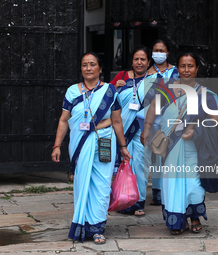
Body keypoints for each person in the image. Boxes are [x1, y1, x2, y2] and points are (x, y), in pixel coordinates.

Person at [51, 52, 131, 244]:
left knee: (102, 185)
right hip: (80, 143)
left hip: (104, 141)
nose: (88, 68)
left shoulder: (110, 91)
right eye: (85, 65)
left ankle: (97, 228)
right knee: (82, 183)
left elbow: (117, 121)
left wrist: (123, 146)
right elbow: (64, 120)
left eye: (92, 64)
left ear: (100, 69)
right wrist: (57, 145)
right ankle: (81, 224)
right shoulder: (72, 91)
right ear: (81, 68)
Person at [143, 52, 218, 235]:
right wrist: (147, 128)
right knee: (173, 183)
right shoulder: (166, 89)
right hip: (171, 146)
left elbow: (215, 119)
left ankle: (194, 216)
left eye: (190, 66)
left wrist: (196, 130)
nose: (186, 70)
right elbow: (153, 108)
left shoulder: (206, 94)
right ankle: (177, 220)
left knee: (194, 185)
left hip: (195, 148)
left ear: (197, 69)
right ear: (177, 68)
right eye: (183, 66)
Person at [109, 45, 151, 216]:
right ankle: (122, 198)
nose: (139, 62)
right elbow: (108, 98)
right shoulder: (122, 77)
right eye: (136, 59)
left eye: (143, 59)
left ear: (149, 62)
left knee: (139, 166)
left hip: (141, 131)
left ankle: (138, 201)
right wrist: (114, 87)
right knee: (121, 166)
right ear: (132, 61)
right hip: (121, 131)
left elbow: (158, 107)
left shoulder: (154, 80)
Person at [144, 39, 179, 206]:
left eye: (161, 50)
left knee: (162, 155)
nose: (158, 53)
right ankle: (138, 194)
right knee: (144, 156)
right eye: (155, 50)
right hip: (146, 118)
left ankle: (160, 192)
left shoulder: (175, 72)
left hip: (166, 119)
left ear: (167, 53)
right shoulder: (145, 72)